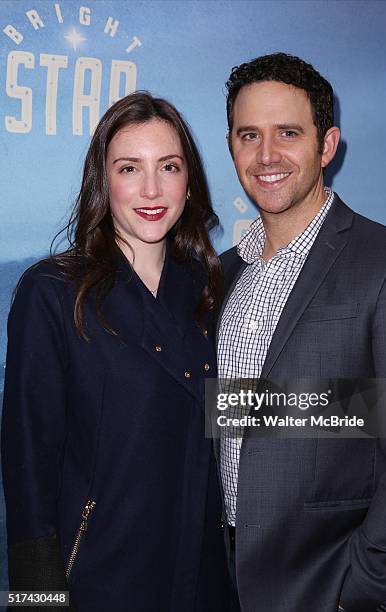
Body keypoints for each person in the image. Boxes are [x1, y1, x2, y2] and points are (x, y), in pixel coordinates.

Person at [217, 53, 386, 612]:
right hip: (223, 581)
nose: (266, 155)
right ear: (230, 146)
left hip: (332, 588)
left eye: (288, 133)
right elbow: (240, 424)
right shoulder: (223, 274)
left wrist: (361, 591)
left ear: (327, 146)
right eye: (249, 134)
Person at [1, 92, 229, 612]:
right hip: (101, 581)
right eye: (130, 168)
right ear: (103, 181)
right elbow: (28, 468)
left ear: (188, 180)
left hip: (205, 579)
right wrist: (37, 600)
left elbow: (235, 414)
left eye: (168, 167)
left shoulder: (210, 286)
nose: (152, 189)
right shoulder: (54, 292)